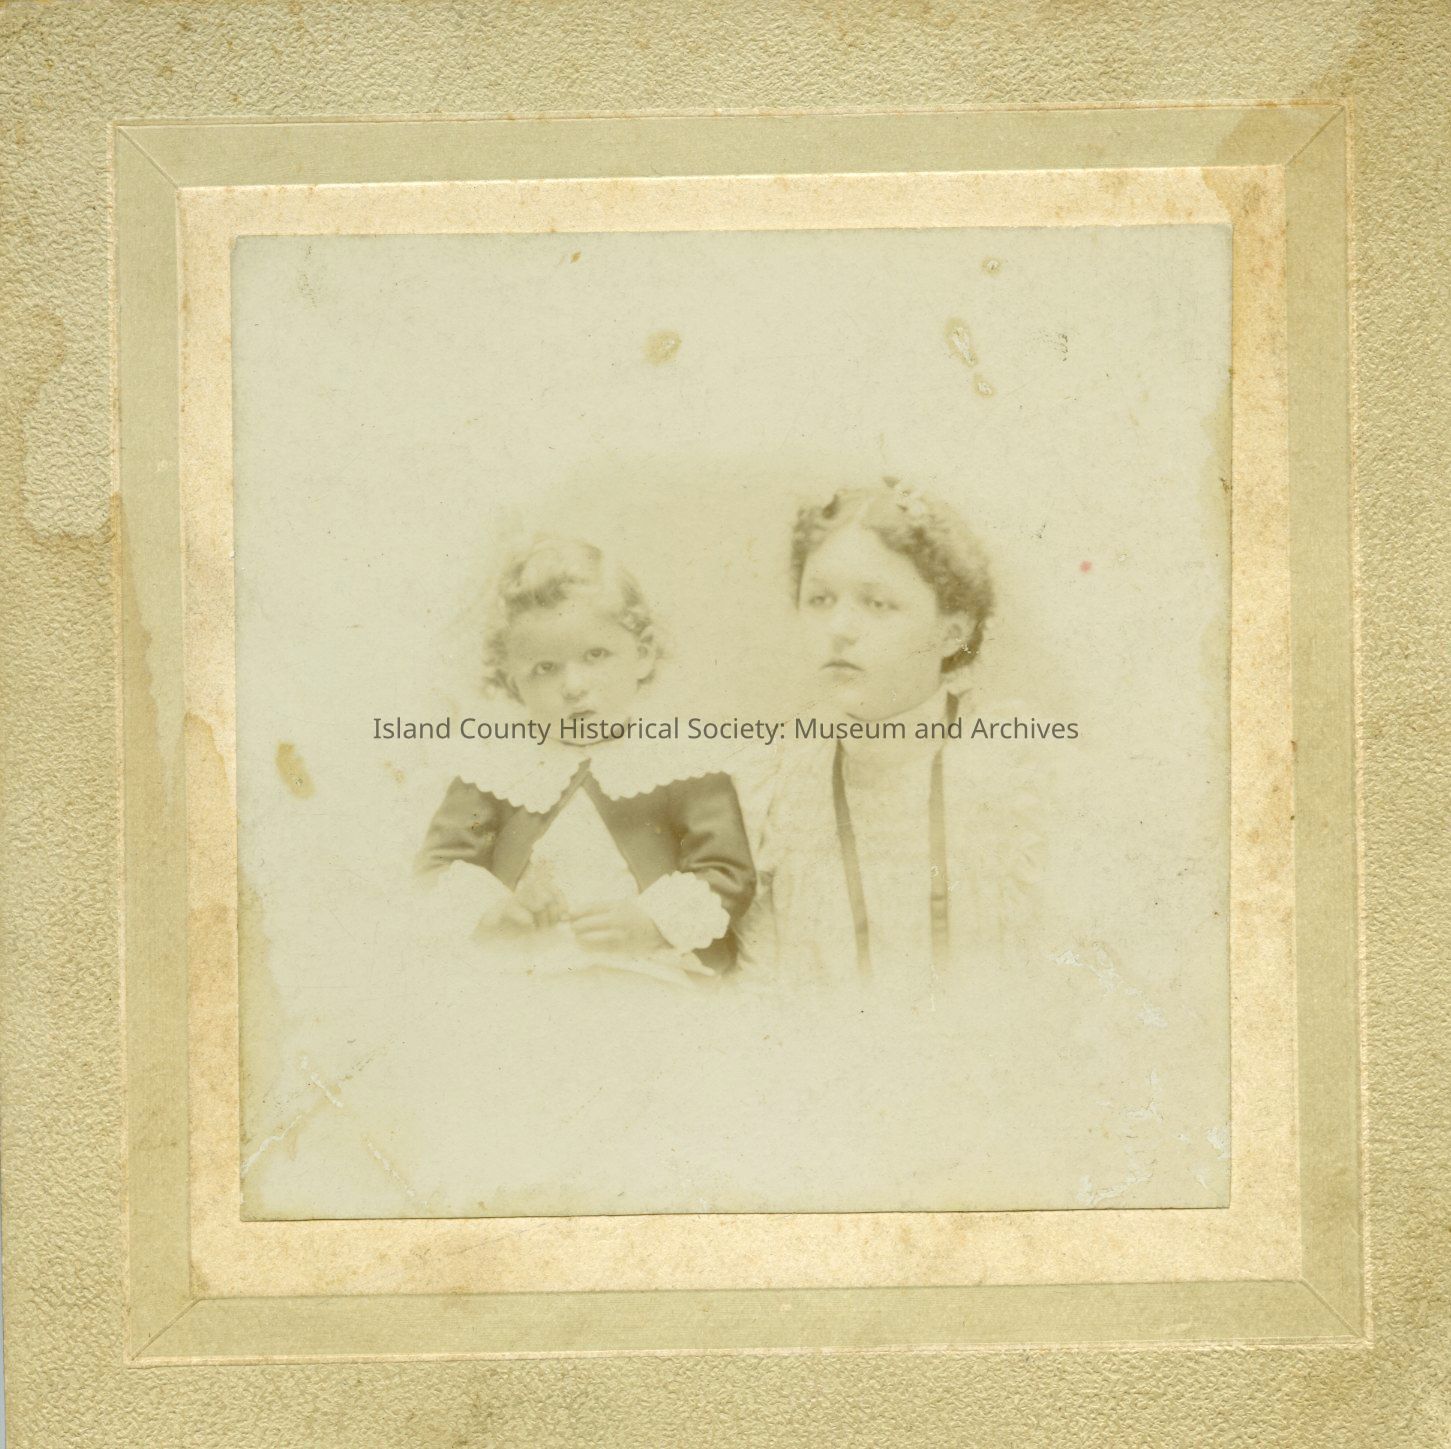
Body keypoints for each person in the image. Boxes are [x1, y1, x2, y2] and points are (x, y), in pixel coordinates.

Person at [740, 479, 1043, 998]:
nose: (839, 627)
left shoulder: (1019, 777)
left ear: (952, 631)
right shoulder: (776, 791)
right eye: (819, 599)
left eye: (877, 604)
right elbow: (759, 988)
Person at [416, 537, 755, 985]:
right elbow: (439, 866)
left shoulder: (681, 761)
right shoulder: (495, 766)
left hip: (644, 969)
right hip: (524, 973)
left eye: (596, 656)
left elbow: (726, 872)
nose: (574, 685)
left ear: (642, 654)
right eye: (544, 668)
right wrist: (496, 913)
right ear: (513, 683)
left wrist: (649, 923)